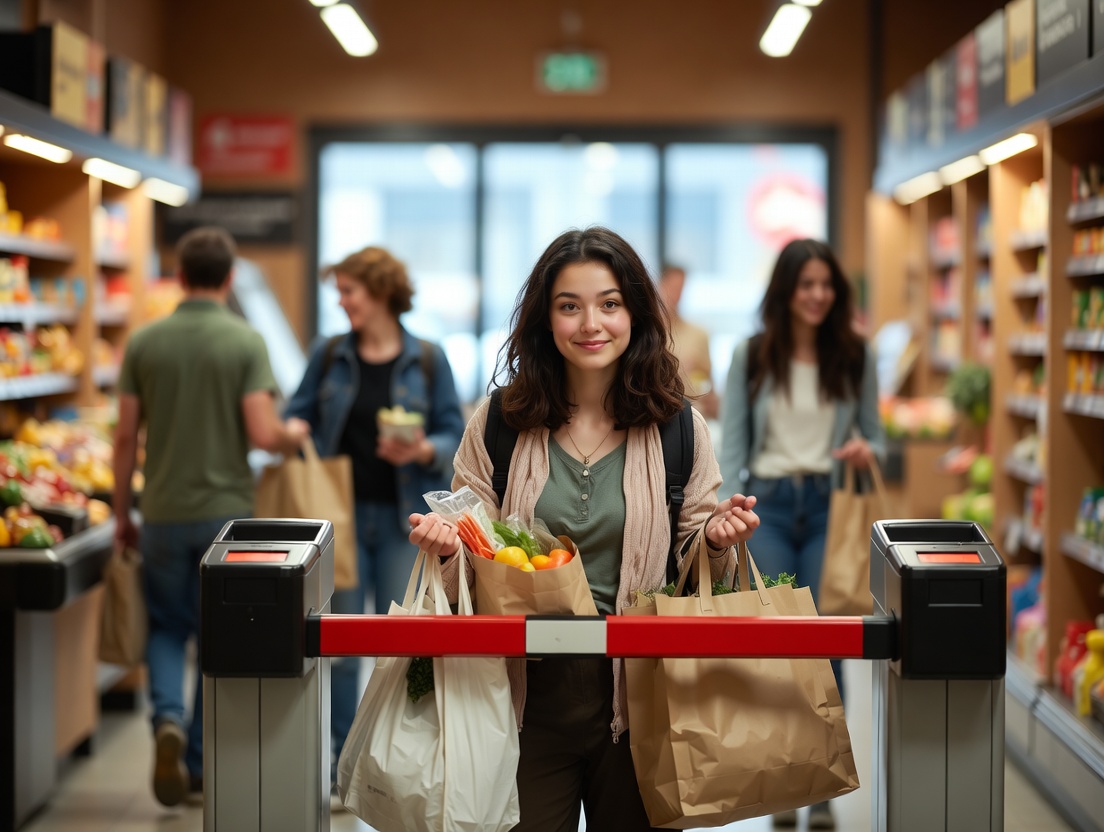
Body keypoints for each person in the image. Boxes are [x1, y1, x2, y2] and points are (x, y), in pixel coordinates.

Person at [408, 226, 760, 832]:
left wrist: (717, 538)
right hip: (520, 691)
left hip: (642, 689)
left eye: (609, 303)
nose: (590, 323)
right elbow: (473, 544)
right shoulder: (500, 422)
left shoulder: (678, 426)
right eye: (569, 306)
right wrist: (448, 545)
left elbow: (694, 543)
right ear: (545, 319)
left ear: (635, 312)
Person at [112, 226, 310, 808]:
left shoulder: (144, 342)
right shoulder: (244, 341)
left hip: (164, 512)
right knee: (217, 637)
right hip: (228, 518)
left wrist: (124, 512)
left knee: (167, 626)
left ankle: (166, 719)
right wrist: (290, 432)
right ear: (228, 279)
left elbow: (125, 437)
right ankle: (197, 763)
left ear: (179, 277)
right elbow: (261, 432)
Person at [282, 245, 466, 783]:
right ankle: (342, 761)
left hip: (406, 524)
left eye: (349, 291)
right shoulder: (331, 353)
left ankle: (398, 757)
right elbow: (299, 412)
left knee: (401, 640)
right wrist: (294, 430)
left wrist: (423, 450)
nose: (341, 303)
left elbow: (454, 430)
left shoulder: (429, 358)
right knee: (340, 638)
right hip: (336, 514)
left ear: (381, 291)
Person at [718, 238, 884, 831]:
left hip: (829, 506)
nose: (817, 295)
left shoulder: (854, 355)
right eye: (806, 284)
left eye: (826, 284)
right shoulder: (753, 355)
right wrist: (718, 513)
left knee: (826, 637)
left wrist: (868, 448)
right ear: (786, 291)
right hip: (768, 508)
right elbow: (731, 442)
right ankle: (787, 783)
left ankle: (820, 787)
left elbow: (879, 436)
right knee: (780, 641)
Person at [657, 263, 719, 419]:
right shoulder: (647, 334)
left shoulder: (699, 334)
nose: (676, 295)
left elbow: (710, 387)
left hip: (692, 415)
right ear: (660, 287)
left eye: (680, 289)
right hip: (656, 413)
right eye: (672, 288)